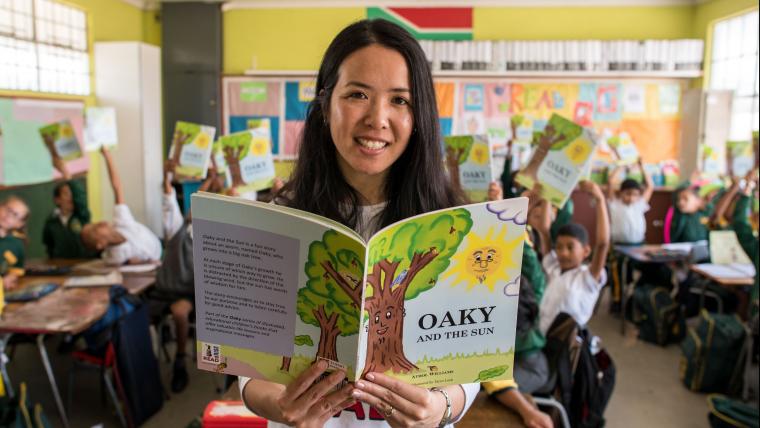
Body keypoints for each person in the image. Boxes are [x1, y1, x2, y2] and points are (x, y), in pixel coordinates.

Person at [239, 19, 479, 427]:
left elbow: (472, 365)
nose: (377, 118)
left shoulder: (456, 223)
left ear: (419, 113)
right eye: (357, 95)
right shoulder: (279, 218)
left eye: (400, 100)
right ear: (325, 104)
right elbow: (246, 368)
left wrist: (441, 409)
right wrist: (278, 405)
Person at [151, 160, 223, 393]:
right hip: (173, 291)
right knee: (173, 312)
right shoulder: (177, 228)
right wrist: (209, 178)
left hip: (198, 294)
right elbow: (169, 194)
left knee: (187, 313)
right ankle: (174, 360)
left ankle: (189, 360)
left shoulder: (215, 236)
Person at [538, 181, 610, 334]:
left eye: (570, 247)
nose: (563, 253)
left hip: (566, 347)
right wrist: (547, 196)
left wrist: (600, 200)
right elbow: (544, 230)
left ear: (586, 251)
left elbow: (603, 243)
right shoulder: (553, 267)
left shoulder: (587, 278)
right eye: (558, 247)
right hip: (543, 337)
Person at [80, 147, 161, 265]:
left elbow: (117, 187)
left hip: (160, 248)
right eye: (96, 228)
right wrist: (135, 262)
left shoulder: (121, 222)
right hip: (156, 264)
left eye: (95, 222)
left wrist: (107, 156)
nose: (101, 222)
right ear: (100, 244)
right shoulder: (116, 257)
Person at [41, 139, 97, 259]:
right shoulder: (51, 222)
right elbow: (49, 245)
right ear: (57, 200)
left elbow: (80, 197)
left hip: (84, 263)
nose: (71, 197)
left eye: (73, 194)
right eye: (66, 194)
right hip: (61, 266)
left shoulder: (81, 215)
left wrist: (65, 172)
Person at [0, 195, 29, 291]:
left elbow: (16, 270)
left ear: (19, 224)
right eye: (8, 210)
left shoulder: (17, 244)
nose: (9, 216)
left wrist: (8, 279)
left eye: (15, 215)